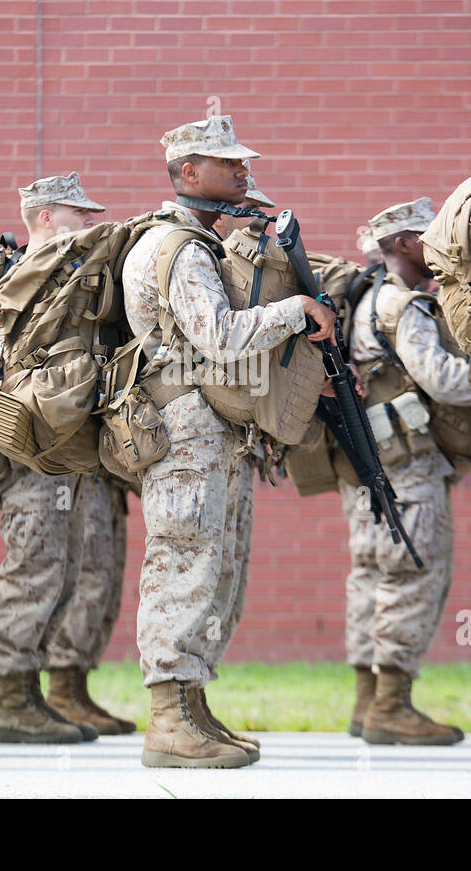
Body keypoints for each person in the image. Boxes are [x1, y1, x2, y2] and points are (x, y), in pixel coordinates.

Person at [122, 115, 334, 768]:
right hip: (184, 429)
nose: (244, 173)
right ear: (188, 172)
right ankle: (167, 721)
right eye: (227, 164)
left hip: (211, 430)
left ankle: (192, 707)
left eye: (243, 164)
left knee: (217, 568)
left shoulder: (197, 244)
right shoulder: (179, 248)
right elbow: (217, 335)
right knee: (184, 564)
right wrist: (296, 312)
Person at [339, 198, 471, 744]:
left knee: (370, 576)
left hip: (366, 464)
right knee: (413, 570)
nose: (442, 247)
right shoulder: (403, 306)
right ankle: (392, 706)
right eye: (429, 238)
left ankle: (366, 703)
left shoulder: (362, 299)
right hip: (407, 466)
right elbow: (443, 380)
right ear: (404, 245)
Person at [0, 173, 116, 744]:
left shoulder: (68, 279)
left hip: (59, 449)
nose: (87, 222)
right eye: (76, 213)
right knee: (34, 565)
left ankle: (33, 693)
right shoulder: (24, 279)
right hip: (28, 449)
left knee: (61, 569)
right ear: (43, 217)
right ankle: (12, 699)